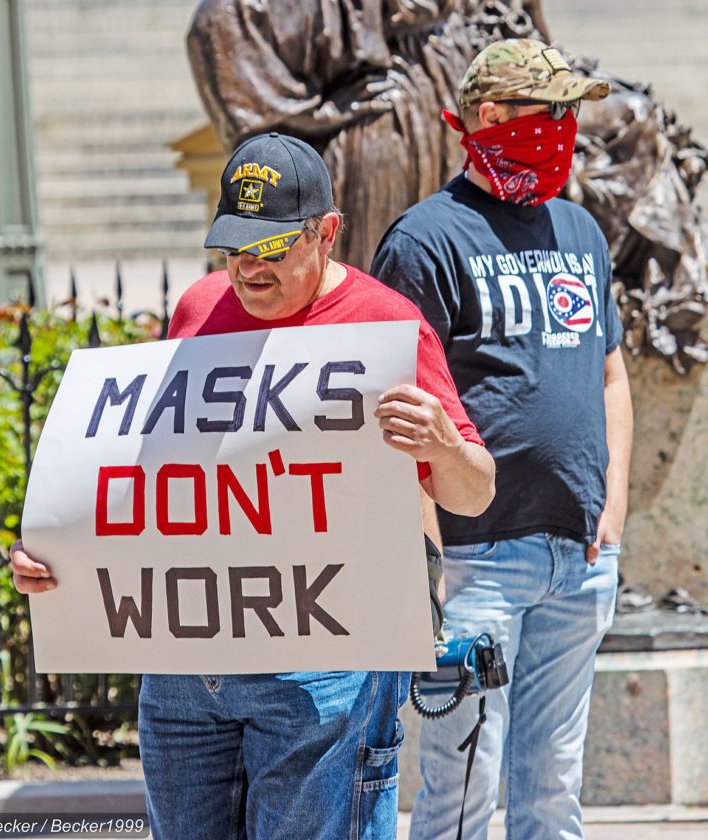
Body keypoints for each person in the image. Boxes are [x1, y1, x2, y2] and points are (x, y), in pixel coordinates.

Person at [11, 133, 495, 840]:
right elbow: (156, 476)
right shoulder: (199, 309)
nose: (248, 269)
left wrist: (444, 445)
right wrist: (63, 557)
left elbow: (475, 492)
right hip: (186, 672)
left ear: (325, 233)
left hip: (325, 668)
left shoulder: (386, 323)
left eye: (270, 248)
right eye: (234, 249)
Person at [371, 39, 634, 840]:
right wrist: (426, 572)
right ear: (491, 118)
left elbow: (611, 375)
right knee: (461, 789)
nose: (565, 128)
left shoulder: (580, 231)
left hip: (579, 557)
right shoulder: (425, 240)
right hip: (476, 558)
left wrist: (613, 506)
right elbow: (399, 412)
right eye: (550, 112)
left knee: (554, 785)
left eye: (570, 113)